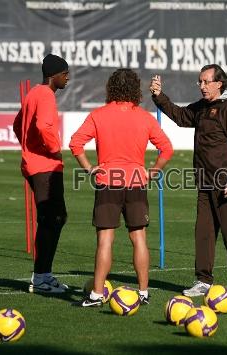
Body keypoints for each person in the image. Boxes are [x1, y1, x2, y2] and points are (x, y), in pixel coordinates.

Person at [70, 68, 173, 307]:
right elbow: (167, 149)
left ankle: (96, 295)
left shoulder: (99, 115)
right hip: (137, 182)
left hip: (108, 182)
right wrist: (152, 172)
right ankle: (144, 292)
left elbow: (76, 143)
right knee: (139, 238)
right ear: (136, 89)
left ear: (111, 87)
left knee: (105, 240)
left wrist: (89, 168)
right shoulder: (145, 117)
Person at [149, 64, 227, 297]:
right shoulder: (202, 108)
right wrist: (159, 97)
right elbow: (180, 116)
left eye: (206, 82)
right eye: (200, 82)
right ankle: (203, 280)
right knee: (203, 235)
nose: (202, 86)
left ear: (219, 83)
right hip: (204, 183)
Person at [13, 53, 69, 293]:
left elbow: (18, 124)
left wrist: (28, 146)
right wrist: (54, 149)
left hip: (33, 164)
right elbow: (43, 126)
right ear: (54, 75)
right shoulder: (45, 94)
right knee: (53, 218)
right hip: (45, 166)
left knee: (51, 218)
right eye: (65, 74)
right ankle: (41, 277)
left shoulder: (32, 93)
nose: (68, 79)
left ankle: (43, 275)